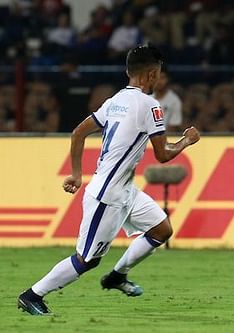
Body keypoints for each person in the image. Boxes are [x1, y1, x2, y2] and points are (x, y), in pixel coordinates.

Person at [17, 45, 200, 315]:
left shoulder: (114, 101)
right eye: (158, 74)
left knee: (161, 230)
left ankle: (117, 276)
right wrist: (186, 140)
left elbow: (78, 133)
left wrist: (77, 174)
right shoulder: (150, 105)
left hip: (124, 190)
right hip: (108, 196)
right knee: (87, 260)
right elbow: (162, 154)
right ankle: (32, 295)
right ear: (151, 75)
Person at [153, 67, 183, 132]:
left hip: (166, 138)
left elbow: (173, 126)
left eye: (162, 78)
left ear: (168, 79)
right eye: (157, 78)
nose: (159, 81)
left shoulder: (174, 101)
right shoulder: (148, 98)